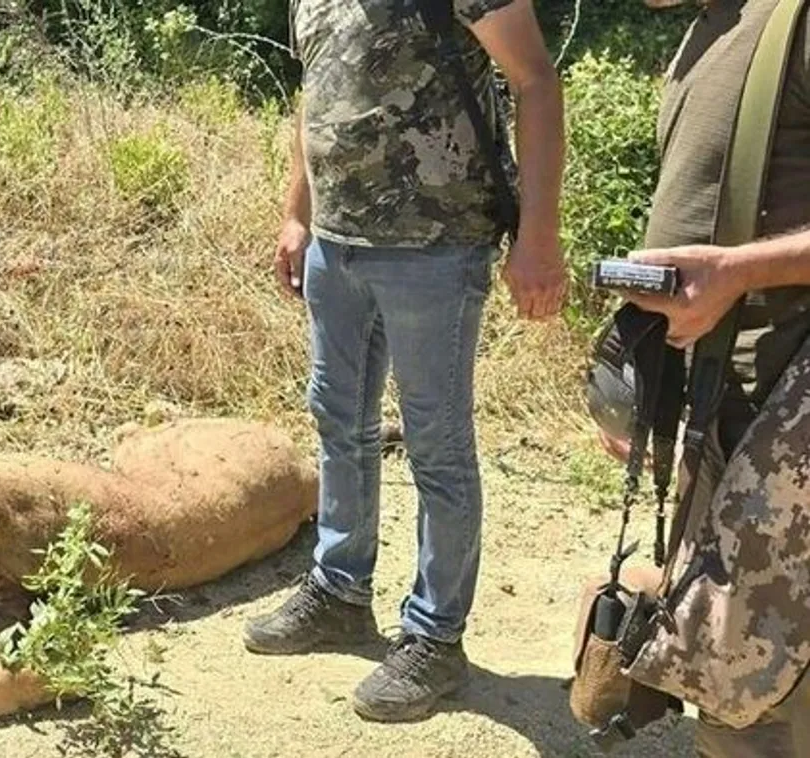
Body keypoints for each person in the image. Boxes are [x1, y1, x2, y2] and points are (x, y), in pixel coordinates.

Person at [242, 0, 567, 723]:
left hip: (435, 247)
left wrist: (538, 239)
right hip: (335, 246)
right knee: (337, 420)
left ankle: (435, 636)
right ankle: (338, 589)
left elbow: (536, 81)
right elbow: (315, 96)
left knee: (435, 444)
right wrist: (296, 213)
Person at [593, 0, 810, 753]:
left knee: (765, 706)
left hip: (784, 433)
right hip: (724, 419)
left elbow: (727, 263)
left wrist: (737, 273)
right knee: (733, 690)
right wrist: (643, 394)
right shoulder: (710, 28)